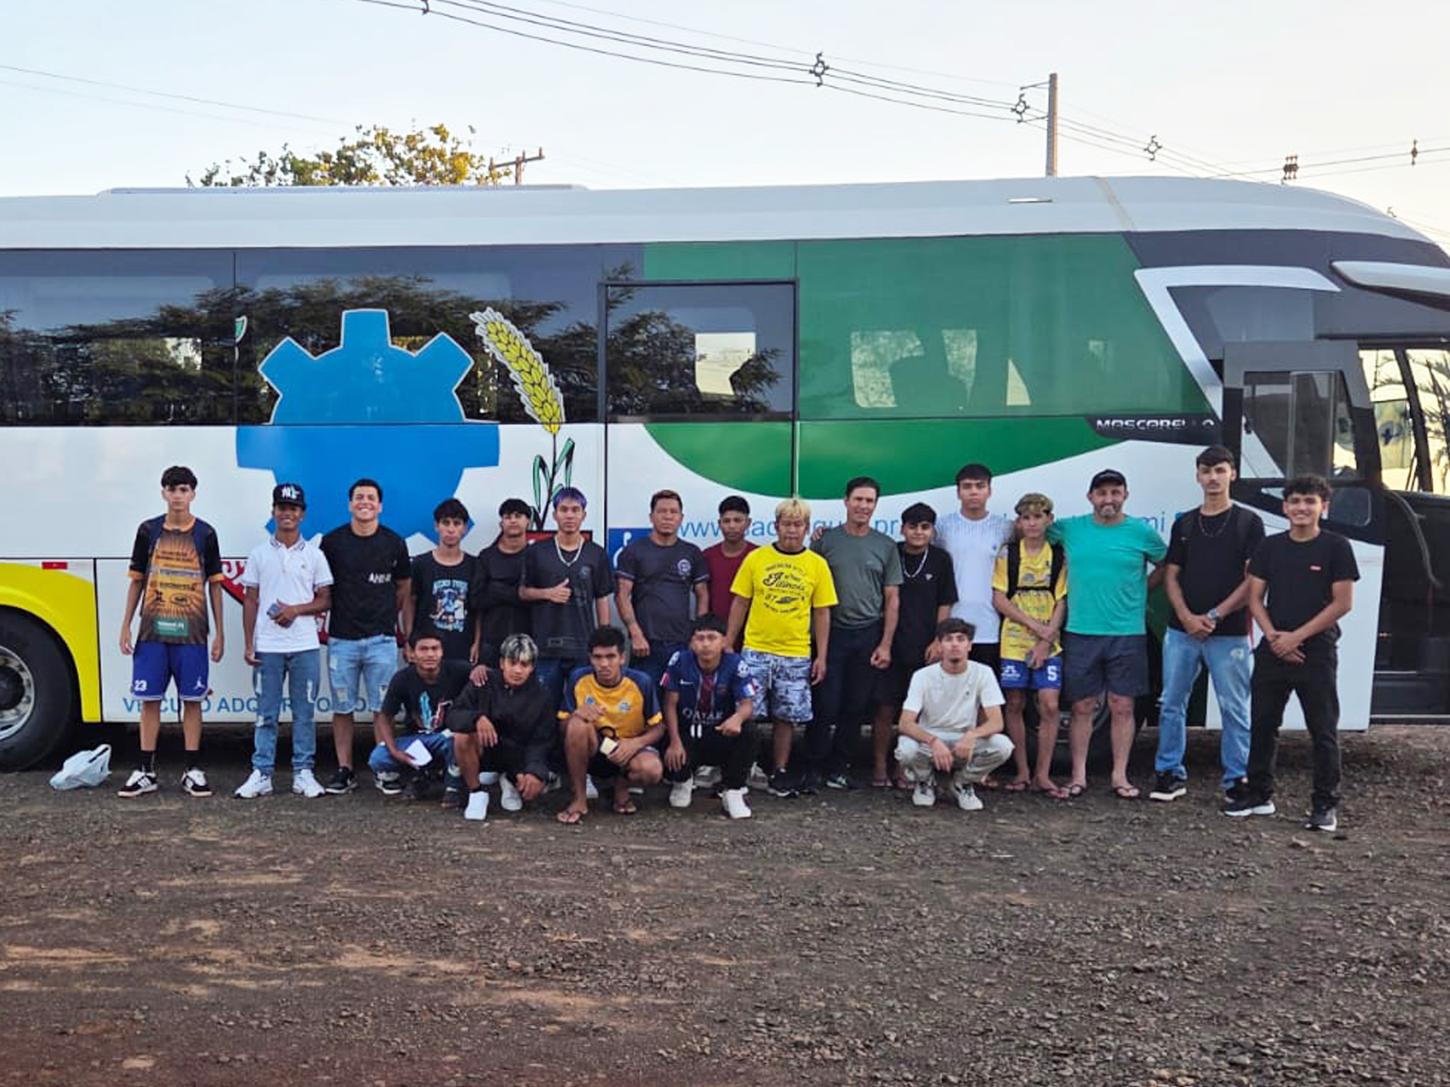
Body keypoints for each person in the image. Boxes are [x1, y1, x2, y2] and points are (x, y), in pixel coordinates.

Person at [1225, 475, 1358, 832]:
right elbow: (1255, 597)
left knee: (1323, 730)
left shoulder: (1337, 547)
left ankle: (1325, 805)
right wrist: (1273, 637)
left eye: (1310, 501)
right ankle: (1259, 794)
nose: (1302, 508)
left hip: (1316, 651)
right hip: (1273, 648)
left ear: (1323, 507)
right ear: (1284, 507)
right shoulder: (1270, 547)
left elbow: (1343, 603)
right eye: (1295, 501)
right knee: (1263, 724)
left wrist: (1296, 638)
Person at [1152, 446, 1265, 804]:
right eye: (1206, 470)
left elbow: (1253, 580)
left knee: (1234, 707)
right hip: (1180, 631)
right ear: (1197, 476)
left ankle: (1236, 780)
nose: (1213, 477)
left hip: (1229, 633)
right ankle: (1169, 773)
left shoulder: (1248, 523)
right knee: (1171, 703)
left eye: (1220, 470)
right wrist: (1186, 616)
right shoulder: (1185, 523)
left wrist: (1214, 615)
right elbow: (1171, 575)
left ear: (1232, 474)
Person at [1048, 469, 1167, 800]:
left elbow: (1167, 564)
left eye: (1115, 492)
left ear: (1125, 495)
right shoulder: (1070, 528)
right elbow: (1031, 531)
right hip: (1080, 630)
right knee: (1082, 706)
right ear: (1090, 498)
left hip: (1127, 633)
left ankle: (1119, 776)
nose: (1108, 499)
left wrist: (1143, 591)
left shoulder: (1141, 532)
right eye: (1102, 493)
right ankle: (1078, 776)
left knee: (1122, 705)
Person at [117, 465, 226, 799]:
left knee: (192, 701)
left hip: (192, 635)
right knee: (149, 701)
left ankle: (192, 769)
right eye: (172, 489)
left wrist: (220, 632)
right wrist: (125, 624)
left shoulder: (206, 534)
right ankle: (145, 770)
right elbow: (137, 580)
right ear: (163, 492)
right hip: (152, 633)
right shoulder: (148, 531)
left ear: (193, 494)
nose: (178, 496)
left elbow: (215, 586)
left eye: (184, 490)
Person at [726, 497, 838, 798]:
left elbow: (822, 613)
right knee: (747, 712)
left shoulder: (817, 564)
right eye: (786, 524)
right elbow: (741, 602)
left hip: (796, 652)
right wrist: (728, 641)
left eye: (798, 524)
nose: (792, 530)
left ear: (806, 528)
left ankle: (780, 770)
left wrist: (821, 655)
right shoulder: (756, 559)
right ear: (776, 526)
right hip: (756, 649)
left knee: (786, 717)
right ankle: (744, 769)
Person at [235, 483, 334, 800]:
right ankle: (262, 772)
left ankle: (303, 772)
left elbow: (325, 599)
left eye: (293, 508)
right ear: (273, 512)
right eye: (282, 508)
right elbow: (251, 600)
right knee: (266, 713)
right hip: (268, 647)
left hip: (304, 645)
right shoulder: (259, 554)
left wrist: (295, 610)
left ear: (302, 514)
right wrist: (249, 643)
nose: (287, 514)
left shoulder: (315, 555)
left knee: (304, 713)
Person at [319, 478, 411, 794]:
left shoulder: (394, 543)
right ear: (350, 504)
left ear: (380, 505)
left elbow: (403, 587)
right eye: (359, 497)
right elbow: (323, 586)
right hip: (342, 639)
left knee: (382, 708)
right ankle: (345, 769)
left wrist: (386, 615)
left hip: (381, 640)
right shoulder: (331, 542)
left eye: (371, 498)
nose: (365, 502)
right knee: (342, 708)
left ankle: (384, 768)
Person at [809, 476, 902, 790]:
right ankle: (814, 766)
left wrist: (885, 643)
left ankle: (839, 767)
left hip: (868, 635)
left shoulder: (886, 546)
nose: (863, 506)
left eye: (869, 501)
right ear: (846, 501)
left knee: (855, 705)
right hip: (831, 634)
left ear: (875, 505)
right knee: (826, 704)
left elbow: (892, 597)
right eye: (858, 499)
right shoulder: (825, 541)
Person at [869, 502, 957, 789]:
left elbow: (945, 603)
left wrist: (939, 640)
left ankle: (904, 767)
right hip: (889, 643)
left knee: (915, 712)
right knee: (884, 708)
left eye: (925, 527)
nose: (918, 532)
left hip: (925, 646)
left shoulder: (941, 559)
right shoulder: (890, 553)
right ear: (902, 528)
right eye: (913, 526)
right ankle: (879, 766)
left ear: (932, 531)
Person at [990, 493, 1068, 798]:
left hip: (1049, 640)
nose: (1032, 523)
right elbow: (999, 598)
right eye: (1026, 518)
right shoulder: (1008, 554)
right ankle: (1022, 770)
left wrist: (1046, 638)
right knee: (1014, 702)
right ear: (1019, 522)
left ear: (1049, 520)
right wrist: (1034, 627)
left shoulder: (1058, 555)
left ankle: (1042, 774)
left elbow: (1062, 600)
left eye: (1038, 517)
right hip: (1014, 638)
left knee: (1049, 703)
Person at [894, 619, 1013, 811]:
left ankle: (963, 782)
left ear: (969, 645)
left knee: (1003, 746)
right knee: (906, 749)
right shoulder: (922, 676)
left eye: (961, 639)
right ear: (940, 645)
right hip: (930, 739)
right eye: (948, 639)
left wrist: (972, 735)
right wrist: (933, 741)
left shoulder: (983, 673)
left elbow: (997, 721)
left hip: (964, 739)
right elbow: (905, 723)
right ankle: (925, 781)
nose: (955, 644)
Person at [556, 626, 665, 824]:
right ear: (590, 658)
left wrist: (635, 743)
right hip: (596, 748)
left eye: (610, 657)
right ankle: (579, 798)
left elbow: (658, 727)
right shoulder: (579, 679)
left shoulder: (641, 682)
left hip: (627, 750)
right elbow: (563, 726)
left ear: (622, 657)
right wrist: (577, 715)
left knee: (652, 769)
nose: (604, 664)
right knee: (577, 725)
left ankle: (620, 788)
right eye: (598, 657)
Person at [520, 487, 613, 708]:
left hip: (583, 647)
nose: (569, 515)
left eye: (575, 510)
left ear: (584, 515)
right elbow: (523, 592)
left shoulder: (596, 553)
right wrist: (547, 593)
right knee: (544, 708)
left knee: (583, 710)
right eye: (564, 510)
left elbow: (602, 598)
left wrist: (604, 639)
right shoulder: (537, 551)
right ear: (554, 514)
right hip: (545, 648)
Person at [660, 615, 760, 820]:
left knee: (750, 731)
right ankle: (682, 780)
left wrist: (737, 718)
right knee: (662, 731)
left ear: (723, 641)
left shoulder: (735, 663)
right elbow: (670, 704)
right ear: (691, 643)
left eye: (712, 638)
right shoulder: (680, 661)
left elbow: (747, 704)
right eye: (700, 638)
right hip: (688, 733)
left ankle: (732, 790)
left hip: (720, 732)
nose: (705, 644)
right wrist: (675, 742)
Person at [446, 634, 554, 821]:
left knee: (534, 786)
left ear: (532, 667)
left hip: (519, 756)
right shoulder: (483, 682)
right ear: (502, 663)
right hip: (487, 750)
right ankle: (476, 793)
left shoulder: (542, 696)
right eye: (512, 663)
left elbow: (542, 741)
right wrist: (477, 718)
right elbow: (453, 715)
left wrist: (534, 772)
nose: (517, 670)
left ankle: (510, 779)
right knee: (462, 737)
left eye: (524, 664)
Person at [616, 489, 710, 688]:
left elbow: (702, 595)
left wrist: (698, 635)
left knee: (680, 700)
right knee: (645, 700)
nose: (668, 516)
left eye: (673, 512)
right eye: (662, 511)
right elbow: (622, 595)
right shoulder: (633, 551)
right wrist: (635, 633)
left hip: (682, 643)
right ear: (651, 517)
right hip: (646, 644)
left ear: (681, 518)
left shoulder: (692, 552)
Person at [367, 629, 474, 801]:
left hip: (447, 736)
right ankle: (424, 775)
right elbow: (384, 717)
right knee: (378, 758)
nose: (430, 654)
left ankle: (453, 787)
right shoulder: (402, 678)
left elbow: (486, 677)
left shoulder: (459, 670)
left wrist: (480, 669)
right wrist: (395, 751)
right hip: (417, 739)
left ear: (442, 651)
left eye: (435, 648)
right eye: (423, 649)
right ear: (412, 654)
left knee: (458, 739)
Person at [934, 464, 1013, 672]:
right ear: (958, 492)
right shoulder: (942, 527)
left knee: (984, 687)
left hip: (990, 625)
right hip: (951, 625)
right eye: (967, 486)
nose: (974, 492)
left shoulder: (1005, 528)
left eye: (980, 486)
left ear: (989, 490)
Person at [404, 498, 479, 665]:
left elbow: (479, 609)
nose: (451, 529)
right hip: (426, 650)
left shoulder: (475, 565)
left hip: (463, 648)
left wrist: (477, 642)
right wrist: (409, 640)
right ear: (436, 526)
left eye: (457, 523)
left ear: (465, 528)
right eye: (446, 523)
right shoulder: (420, 564)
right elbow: (410, 603)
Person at [472, 497, 533, 667]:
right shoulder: (486, 557)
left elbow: (539, 598)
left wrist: (496, 589)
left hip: (528, 639)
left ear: (528, 522)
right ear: (501, 523)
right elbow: (476, 600)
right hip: (491, 642)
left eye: (518, 516)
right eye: (507, 517)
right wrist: (518, 593)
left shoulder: (536, 556)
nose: (513, 520)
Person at [702, 495, 756, 626]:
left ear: (748, 522)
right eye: (726, 521)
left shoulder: (758, 556)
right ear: (719, 524)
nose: (732, 526)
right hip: (716, 632)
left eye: (737, 520)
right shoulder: (707, 556)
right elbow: (702, 597)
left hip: (752, 633)